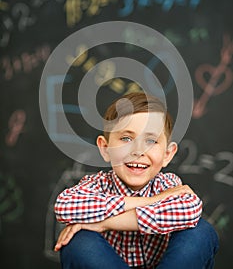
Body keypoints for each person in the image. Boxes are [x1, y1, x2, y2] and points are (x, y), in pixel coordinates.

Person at [54, 92, 219, 268]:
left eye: (151, 140)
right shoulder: (96, 184)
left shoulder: (168, 184)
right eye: (126, 138)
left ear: (167, 155)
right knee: (79, 241)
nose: (138, 151)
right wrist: (149, 201)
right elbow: (64, 206)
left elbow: (190, 209)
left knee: (201, 232)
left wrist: (104, 223)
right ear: (105, 148)